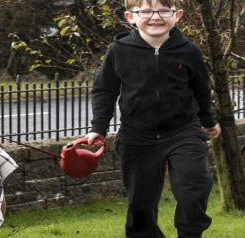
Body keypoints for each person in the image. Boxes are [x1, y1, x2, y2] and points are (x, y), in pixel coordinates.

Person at [85, 0, 221, 238]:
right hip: (136, 136)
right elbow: (104, 90)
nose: (155, 17)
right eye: (145, 11)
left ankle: (190, 234)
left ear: (177, 15)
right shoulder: (119, 51)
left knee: (195, 188)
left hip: (183, 132)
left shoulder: (189, 51)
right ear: (130, 16)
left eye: (163, 11)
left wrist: (208, 120)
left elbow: (201, 89)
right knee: (140, 205)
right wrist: (98, 127)